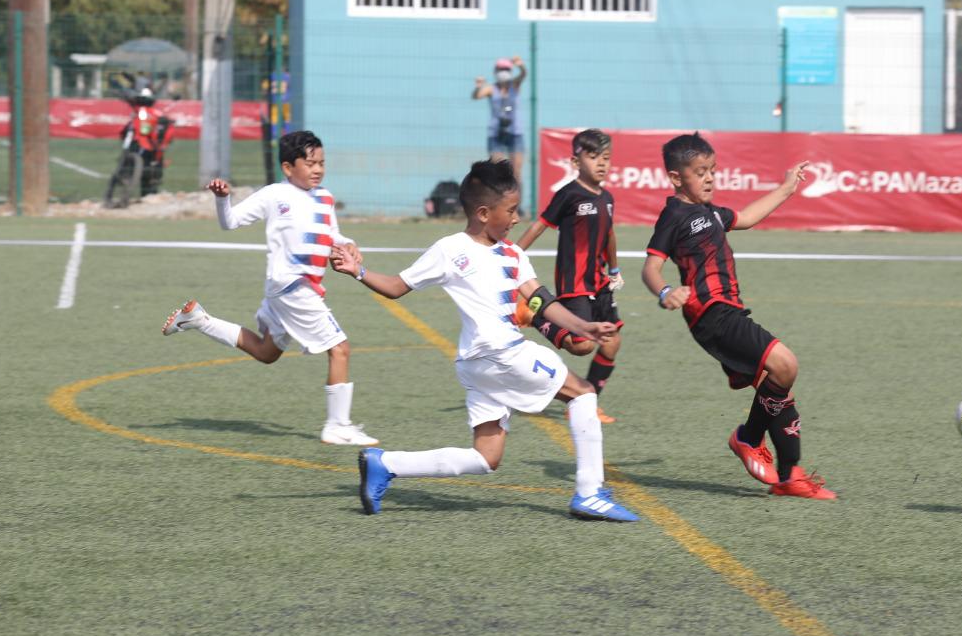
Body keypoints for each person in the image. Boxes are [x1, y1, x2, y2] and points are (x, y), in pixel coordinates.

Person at [328, 159, 638, 522]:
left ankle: (386, 464)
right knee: (583, 392)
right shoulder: (451, 249)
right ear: (482, 212)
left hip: (476, 365)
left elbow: (540, 300)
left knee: (486, 458)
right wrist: (358, 271)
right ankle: (589, 493)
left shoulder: (513, 253)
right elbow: (397, 286)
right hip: (501, 354)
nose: (517, 218)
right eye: (510, 210)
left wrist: (582, 328)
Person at [640, 132, 836, 500]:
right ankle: (747, 438)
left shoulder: (711, 212)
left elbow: (745, 218)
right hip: (710, 313)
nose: (711, 177)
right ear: (676, 177)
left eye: (712, 169)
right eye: (700, 172)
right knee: (785, 365)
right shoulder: (674, 214)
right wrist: (666, 291)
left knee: (777, 386)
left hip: (729, 310)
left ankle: (790, 475)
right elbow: (650, 267)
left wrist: (786, 188)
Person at [160, 130, 378, 447]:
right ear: (289, 168)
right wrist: (223, 199)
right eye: (310, 163)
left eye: (322, 163)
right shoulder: (275, 195)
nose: (318, 169)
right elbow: (230, 222)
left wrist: (348, 244)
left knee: (267, 353)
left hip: (294, 289)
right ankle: (337, 426)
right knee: (340, 348)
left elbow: (333, 234)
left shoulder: (325, 198)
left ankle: (200, 320)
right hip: (293, 287)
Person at [514, 129, 623, 424]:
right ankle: (534, 314)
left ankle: (591, 402)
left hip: (599, 282)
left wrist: (614, 269)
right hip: (574, 282)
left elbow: (609, 234)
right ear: (576, 161)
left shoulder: (609, 198)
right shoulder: (569, 194)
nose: (601, 163)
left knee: (612, 342)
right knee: (582, 345)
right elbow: (540, 225)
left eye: (606, 158)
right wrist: (512, 256)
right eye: (593, 157)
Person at [472, 56, 527, 181]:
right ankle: (498, 199)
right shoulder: (492, 88)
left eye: (506, 69)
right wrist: (478, 86)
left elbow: (523, 74)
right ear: (496, 71)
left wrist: (520, 65)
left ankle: (516, 200)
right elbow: (476, 96)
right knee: (496, 170)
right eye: (500, 69)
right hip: (496, 132)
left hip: (515, 132)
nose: (503, 72)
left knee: (516, 172)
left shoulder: (515, 86)